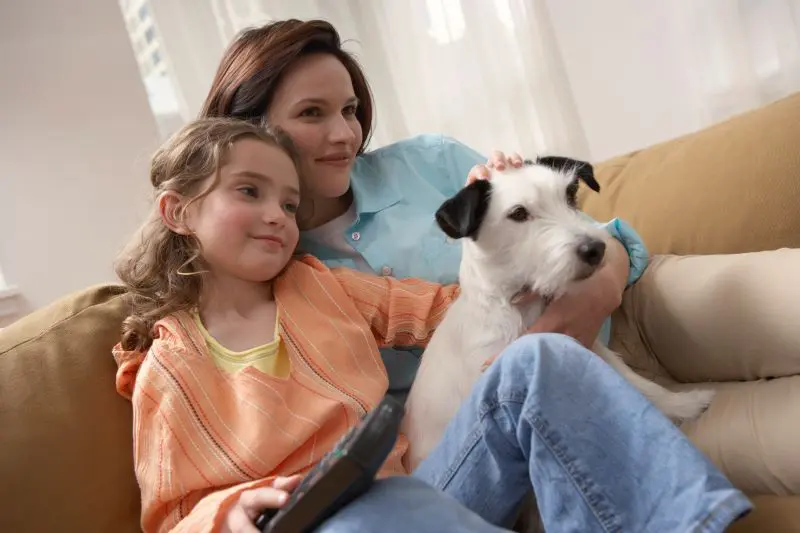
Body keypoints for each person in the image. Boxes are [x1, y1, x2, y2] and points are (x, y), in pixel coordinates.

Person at [112, 116, 751, 533]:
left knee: (534, 358)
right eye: (248, 192)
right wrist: (231, 510)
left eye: (288, 201)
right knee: (365, 515)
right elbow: (170, 516)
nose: (278, 214)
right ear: (177, 211)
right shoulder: (167, 370)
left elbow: (459, 308)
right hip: (321, 525)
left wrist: (504, 228)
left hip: (431, 486)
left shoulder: (323, 288)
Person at [198, 19, 649, 403]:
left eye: (350, 110)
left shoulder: (435, 163)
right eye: (312, 113)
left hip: (614, 349)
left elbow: (601, 241)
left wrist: (596, 295)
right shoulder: (273, 268)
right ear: (249, 131)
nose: (344, 134)